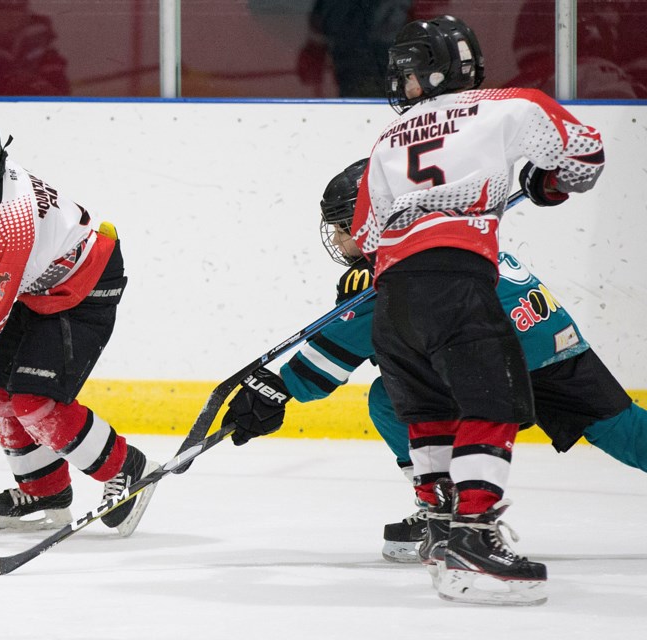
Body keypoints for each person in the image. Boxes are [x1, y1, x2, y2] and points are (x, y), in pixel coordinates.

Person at [225, 159, 647, 570]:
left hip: (494, 366)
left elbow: (333, 357)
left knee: (390, 399)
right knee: (627, 431)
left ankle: (445, 508)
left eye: (342, 225)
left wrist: (278, 389)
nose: (337, 239)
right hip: (555, 348)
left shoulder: (398, 269)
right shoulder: (449, 228)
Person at [353, 15, 604, 605]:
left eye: (411, 73)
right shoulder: (510, 105)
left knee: (428, 410)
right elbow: (586, 158)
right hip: (457, 280)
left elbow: (365, 233)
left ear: (440, 68)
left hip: (394, 297)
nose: (405, 85)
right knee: (490, 401)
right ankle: (473, 535)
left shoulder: (388, 140)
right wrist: (548, 182)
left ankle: (442, 532)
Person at [0, 107, 157, 537]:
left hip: (83, 290)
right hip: (38, 288)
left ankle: (127, 469)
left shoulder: (10, 221)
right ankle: (45, 490)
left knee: (36, 403)